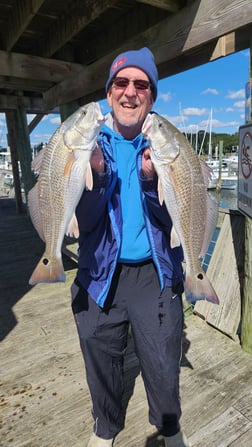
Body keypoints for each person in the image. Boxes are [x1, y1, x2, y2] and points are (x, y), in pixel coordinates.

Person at [71, 47, 190, 447]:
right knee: (98, 353)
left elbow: (175, 219)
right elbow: (84, 222)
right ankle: (105, 427)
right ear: (109, 93)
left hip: (153, 273)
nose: (130, 92)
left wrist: (152, 185)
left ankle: (168, 425)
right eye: (121, 83)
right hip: (100, 270)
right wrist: (99, 177)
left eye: (141, 85)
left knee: (161, 357)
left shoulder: (165, 143)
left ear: (151, 98)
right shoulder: (88, 143)